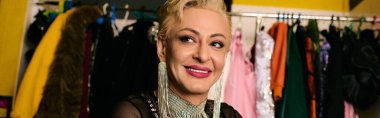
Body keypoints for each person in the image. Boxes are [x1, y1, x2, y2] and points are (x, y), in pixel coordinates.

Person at [113, 0, 241, 117]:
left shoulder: (229, 115)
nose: (202, 56)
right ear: (162, 48)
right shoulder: (132, 114)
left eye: (216, 44)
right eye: (188, 39)